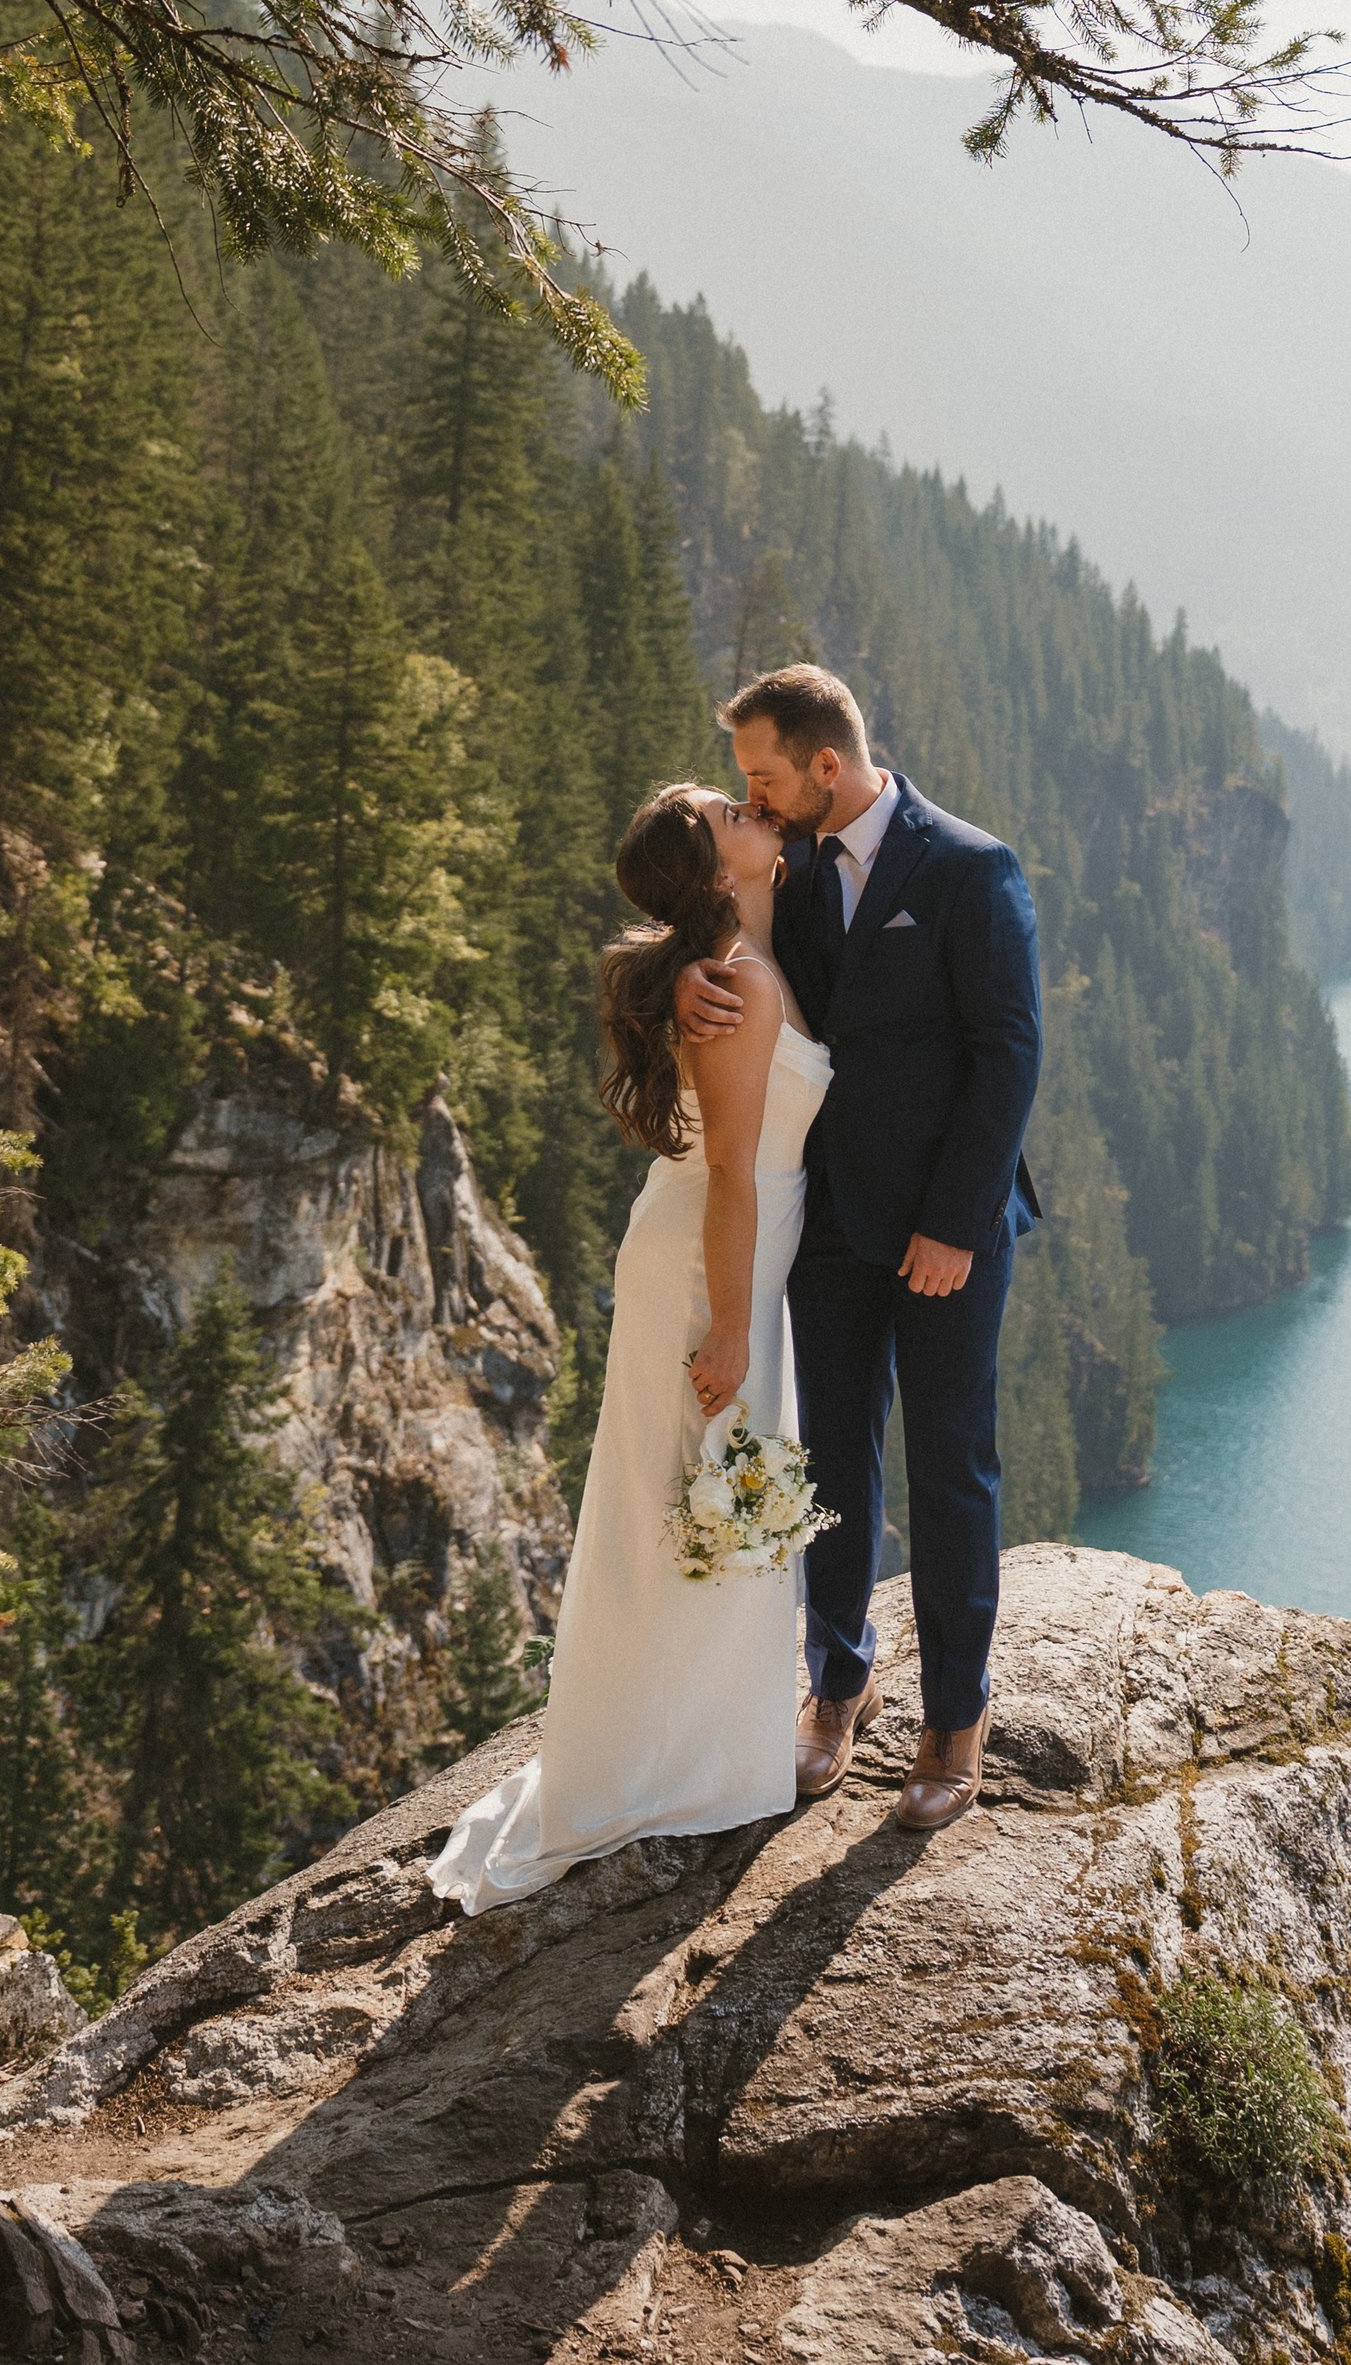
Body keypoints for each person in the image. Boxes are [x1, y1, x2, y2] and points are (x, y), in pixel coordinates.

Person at [428, 783, 831, 1914]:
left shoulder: (739, 959)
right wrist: (731, 1325)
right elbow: (734, 1171)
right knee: (696, 1499)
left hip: (721, 1252)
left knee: (705, 1502)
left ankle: (700, 1744)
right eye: (728, 812)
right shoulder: (739, 983)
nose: (750, 805)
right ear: (714, 871)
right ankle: (663, 1763)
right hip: (709, 1262)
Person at [677, 666, 1041, 1835]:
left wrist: (954, 1223)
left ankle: (955, 1719)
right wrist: (691, 979)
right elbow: (745, 963)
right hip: (827, 1218)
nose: (754, 796)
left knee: (949, 1465)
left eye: (763, 774)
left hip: (946, 1230)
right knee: (831, 1460)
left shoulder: (970, 866)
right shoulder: (785, 867)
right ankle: (839, 1681)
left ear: (825, 765)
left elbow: (1008, 1053)